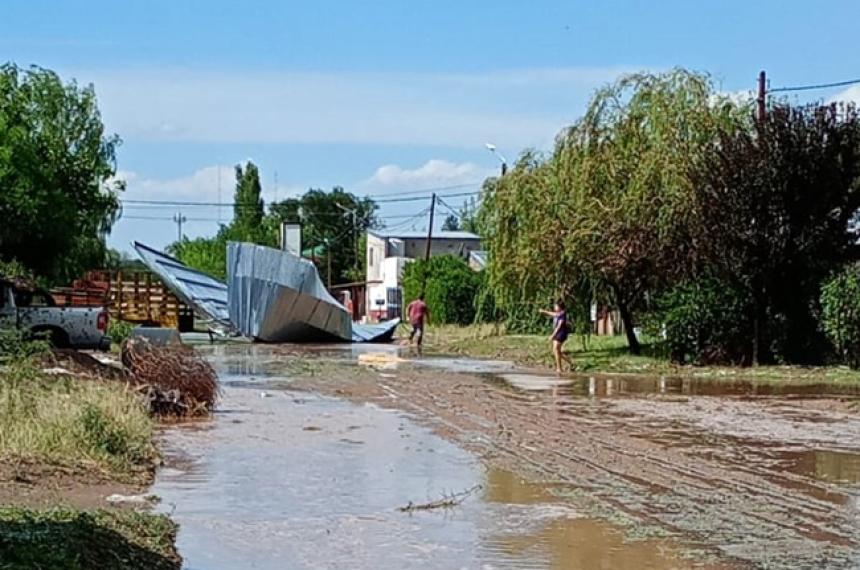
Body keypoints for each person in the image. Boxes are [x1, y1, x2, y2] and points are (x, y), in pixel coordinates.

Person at [540, 300, 572, 374]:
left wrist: (552, 335)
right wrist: (544, 311)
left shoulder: (562, 314)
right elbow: (552, 314)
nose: (554, 307)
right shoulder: (558, 313)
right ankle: (569, 362)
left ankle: (559, 368)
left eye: (556, 306)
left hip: (561, 333)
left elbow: (559, 327)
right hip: (558, 333)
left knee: (556, 350)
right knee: (556, 351)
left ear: (560, 307)